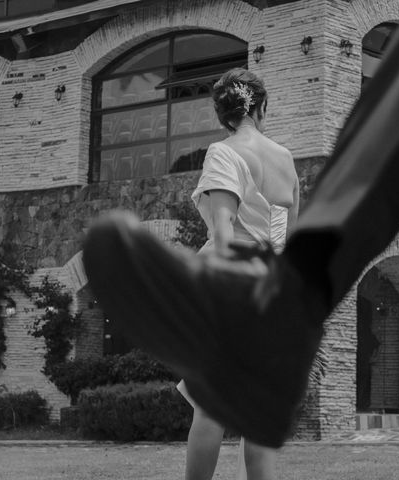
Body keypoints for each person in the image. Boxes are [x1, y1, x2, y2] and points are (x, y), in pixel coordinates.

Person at [83, 0, 399, 450]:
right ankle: (286, 306)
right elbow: (280, 218)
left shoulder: (227, 154)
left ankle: (284, 306)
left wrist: (233, 248)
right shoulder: (276, 158)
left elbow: (248, 217)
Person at [179, 68, 299, 480]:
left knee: (211, 408)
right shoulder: (285, 160)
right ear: (261, 106)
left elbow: (225, 233)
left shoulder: (223, 153)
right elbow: (287, 240)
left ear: (223, 113)